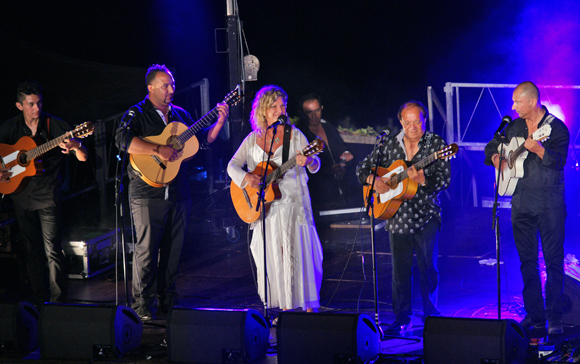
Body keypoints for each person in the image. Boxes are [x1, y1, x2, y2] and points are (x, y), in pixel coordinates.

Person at [115, 64, 229, 320]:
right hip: (146, 191)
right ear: (151, 88)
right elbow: (122, 140)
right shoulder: (137, 112)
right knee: (146, 250)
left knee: (173, 250)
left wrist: (220, 120)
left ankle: (168, 301)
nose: (171, 89)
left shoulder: (180, 115)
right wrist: (157, 150)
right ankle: (141, 307)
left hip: (178, 192)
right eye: (165, 85)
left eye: (173, 85)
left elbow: (201, 145)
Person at [356, 101, 450, 334]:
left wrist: (424, 182)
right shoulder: (389, 145)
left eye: (417, 122)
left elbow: (445, 180)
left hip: (426, 214)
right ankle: (401, 317)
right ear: (400, 122)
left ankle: (431, 314)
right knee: (400, 271)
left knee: (428, 268)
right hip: (396, 216)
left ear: (424, 120)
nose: (412, 127)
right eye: (407, 123)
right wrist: (373, 180)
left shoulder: (436, 144)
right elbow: (362, 168)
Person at [227, 85, 323, 313]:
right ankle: (283, 308)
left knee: (301, 253)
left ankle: (309, 308)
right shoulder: (252, 140)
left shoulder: (295, 135)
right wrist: (248, 177)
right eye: (275, 106)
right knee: (272, 256)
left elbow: (316, 165)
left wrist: (309, 161)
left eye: (283, 105)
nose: (281, 109)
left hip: (294, 204)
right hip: (266, 209)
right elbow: (232, 166)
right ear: (263, 111)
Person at [484, 81, 569, 335]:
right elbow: (490, 147)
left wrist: (540, 149)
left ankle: (554, 316)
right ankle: (535, 315)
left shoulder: (556, 128)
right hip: (520, 204)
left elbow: (560, 162)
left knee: (553, 262)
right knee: (527, 262)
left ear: (532, 101)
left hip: (549, 205)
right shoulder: (514, 126)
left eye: (517, 101)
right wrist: (496, 158)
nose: (513, 106)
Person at [0, 81, 88, 307]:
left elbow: (83, 157)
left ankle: (58, 303)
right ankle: (40, 301)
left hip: (48, 195)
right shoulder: (10, 128)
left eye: (39, 103)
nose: (36, 108)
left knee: (53, 251)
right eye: (30, 104)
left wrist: (77, 145)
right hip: (21, 196)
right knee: (31, 250)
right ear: (20, 106)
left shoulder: (55, 126)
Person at [298, 93, 354, 209]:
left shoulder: (327, 126)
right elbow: (301, 168)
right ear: (302, 113)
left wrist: (346, 154)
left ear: (322, 108)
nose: (314, 116)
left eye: (317, 110)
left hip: (339, 190)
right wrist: (328, 170)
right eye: (309, 112)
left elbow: (341, 147)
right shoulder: (300, 133)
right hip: (318, 195)